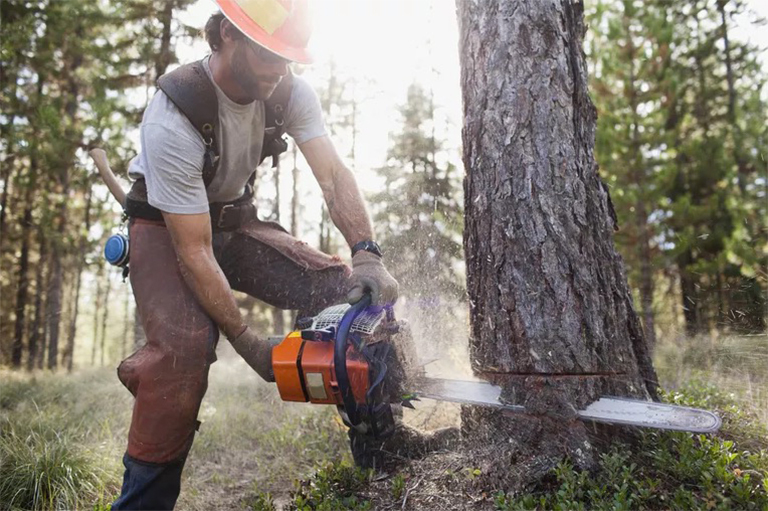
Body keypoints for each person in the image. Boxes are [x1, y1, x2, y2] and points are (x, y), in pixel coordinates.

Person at [111, 1, 398, 509]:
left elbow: (332, 175)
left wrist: (366, 253)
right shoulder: (175, 112)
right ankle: (141, 502)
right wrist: (245, 340)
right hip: (164, 227)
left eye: (288, 58)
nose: (279, 70)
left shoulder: (287, 90)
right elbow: (194, 249)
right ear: (224, 34)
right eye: (269, 53)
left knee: (345, 291)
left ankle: (383, 445)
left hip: (233, 220)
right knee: (182, 355)